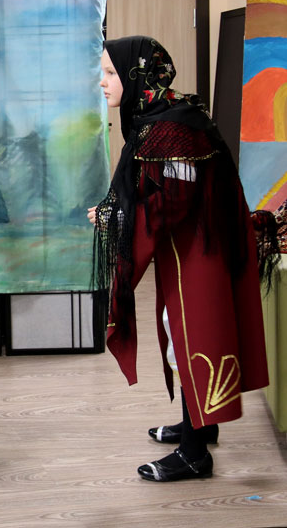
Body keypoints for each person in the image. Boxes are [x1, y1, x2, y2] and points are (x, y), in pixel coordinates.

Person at [89, 36, 274, 482]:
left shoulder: (172, 128)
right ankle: (201, 425)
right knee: (183, 335)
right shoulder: (164, 116)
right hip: (190, 247)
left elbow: (174, 198)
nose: (103, 82)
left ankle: (194, 455)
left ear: (137, 74)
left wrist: (117, 217)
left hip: (199, 252)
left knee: (191, 339)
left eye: (111, 73)